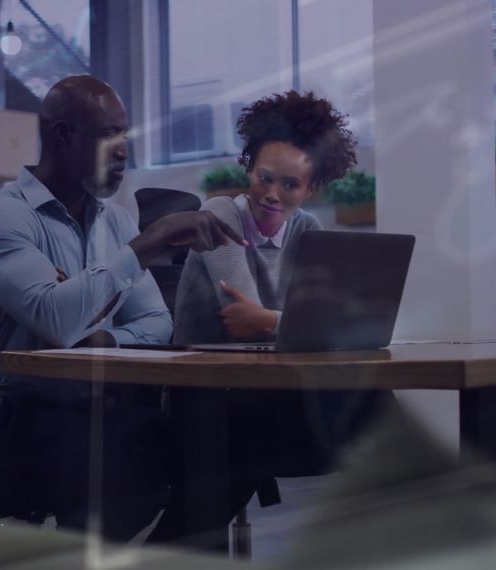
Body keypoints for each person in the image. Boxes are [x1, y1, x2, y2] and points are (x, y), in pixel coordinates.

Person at [0, 75, 245, 541]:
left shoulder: (113, 222)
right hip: (15, 414)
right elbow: (58, 320)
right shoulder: (1, 219)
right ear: (63, 135)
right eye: (108, 135)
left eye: (125, 137)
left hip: (98, 406)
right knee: (131, 469)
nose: (122, 151)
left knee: (225, 449)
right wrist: (147, 242)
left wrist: (108, 337)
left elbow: (158, 321)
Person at [152, 90, 394, 546]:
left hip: (272, 398)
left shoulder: (308, 231)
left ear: (311, 188)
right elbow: (240, 315)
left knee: (377, 402)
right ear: (249, 167)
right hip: (206, 402)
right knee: (213, 495)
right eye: (265, 177)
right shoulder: (218, 214)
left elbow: (332, 328)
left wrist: (274, 320)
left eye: (290, 184)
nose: (272, 194)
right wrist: (292, 322)